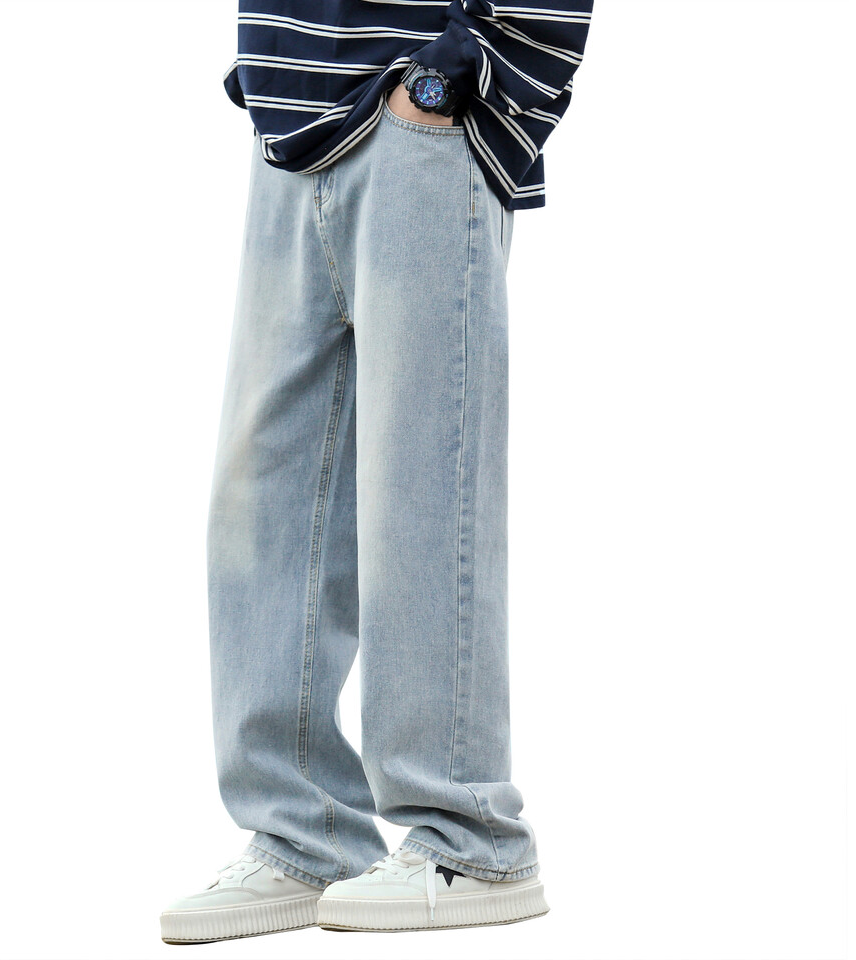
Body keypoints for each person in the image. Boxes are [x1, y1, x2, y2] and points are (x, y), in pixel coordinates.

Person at [160, 0, 595, 945]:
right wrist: (266, 72)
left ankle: (470, 838)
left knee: (423, 487)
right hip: (292, 121)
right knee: (260, 496)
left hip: (424, 113)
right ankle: (303, 834)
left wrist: (459, 79)